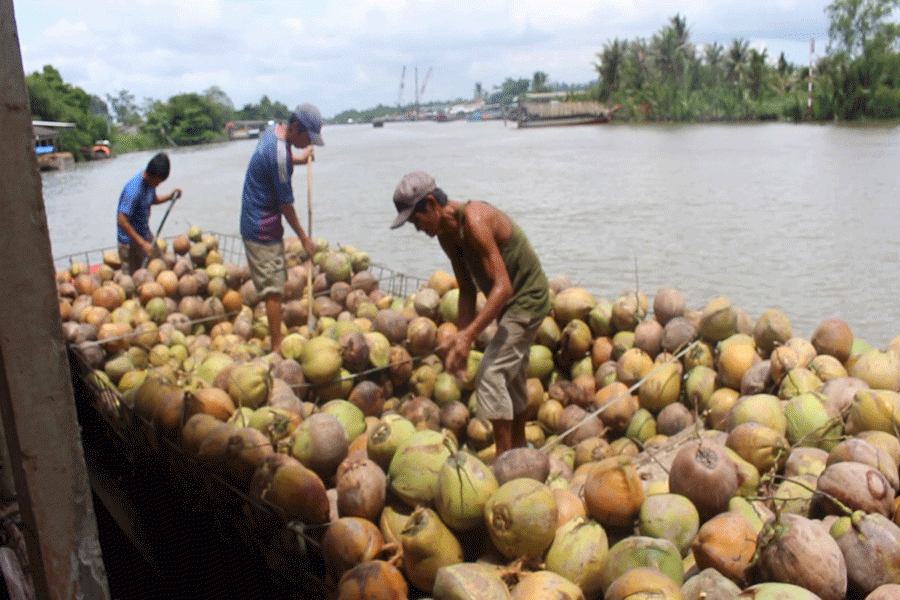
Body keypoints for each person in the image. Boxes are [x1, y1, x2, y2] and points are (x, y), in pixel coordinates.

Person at [390, 172, 551, 456]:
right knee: (511, 375)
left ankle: (505, 461)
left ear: (432, 204)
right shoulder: (446, 236)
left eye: (417, 220)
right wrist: (461, 334)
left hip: (528, 298)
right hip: (509, 304)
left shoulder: (475, 220)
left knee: (491, 374)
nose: (417, 229)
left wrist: (469, 335)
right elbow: (466, 289)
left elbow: (503, 287)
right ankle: (519, 450)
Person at [240, 104, 323, 354]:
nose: (309, 143)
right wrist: (304, 238)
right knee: (273, 290)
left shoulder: (273, 132)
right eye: (308, 138)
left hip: (257, 220)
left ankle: (276, 340)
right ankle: (277, 348)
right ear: (296, 128)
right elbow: (286, 205)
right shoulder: (279, 156)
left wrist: (299, 159)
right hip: (261, 227)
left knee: (274, 284)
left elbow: (275, 163)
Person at [116, 152, 182, 274]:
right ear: (151, 175)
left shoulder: (150, 183)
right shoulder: (133, 189)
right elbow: (122, 220)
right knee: (136, 280)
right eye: (157, 182)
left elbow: (152, 199)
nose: (158, 185)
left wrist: (170, 196)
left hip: (145, 234)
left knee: (162, 269)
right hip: (129, 243)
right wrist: (142, 244)